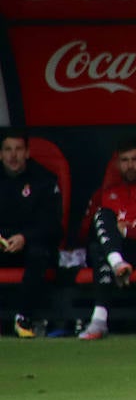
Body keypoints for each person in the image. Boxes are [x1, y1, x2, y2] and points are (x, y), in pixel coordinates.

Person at [76, 138, 136, 340]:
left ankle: (99, 321)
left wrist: (125, 232)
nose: (130, 165)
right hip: (108, 253)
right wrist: (111, 230)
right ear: (118, 164)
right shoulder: (103, 194)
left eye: (135, 159)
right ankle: (115, 262)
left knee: (99, 248)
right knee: (103, 217)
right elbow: (84, 233)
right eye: (125, 160)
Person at [0, 130, 63, 339]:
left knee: (39, 253)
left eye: (18, 149)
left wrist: (24, 238)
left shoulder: (43, 180)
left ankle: (23, 317)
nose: (13, 155)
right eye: (8, 150)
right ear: (0, 154)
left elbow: (52, 226)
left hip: (32, 244)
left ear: (27, 152)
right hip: (2, 244)